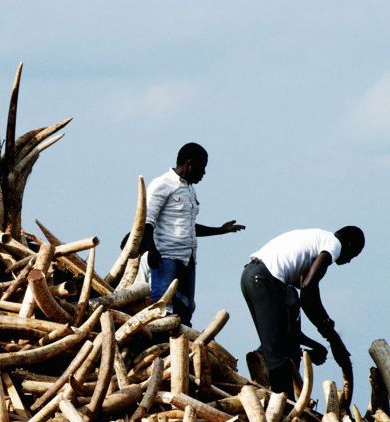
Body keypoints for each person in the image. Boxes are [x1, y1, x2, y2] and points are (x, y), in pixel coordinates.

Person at [240, 226, 365, 397]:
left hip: (251, 276)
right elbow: (308, 291)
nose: (349, 260)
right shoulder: (334, 244)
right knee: (276, 355)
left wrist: (315, 347)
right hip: (263, 279)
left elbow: (294, 328)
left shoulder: (292, 283)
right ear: (349, 244)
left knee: (280, 347)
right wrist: (331, 337)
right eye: (354, 254)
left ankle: (279, 398)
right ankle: (284, 408)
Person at [144, 142, 244, 325]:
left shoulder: (189, 189)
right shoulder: (162, 184)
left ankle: (180, 350)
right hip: (166, 258)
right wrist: (152, 250)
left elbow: (188, 227)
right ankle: (160, 349)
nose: (204, 173)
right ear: (189, 164)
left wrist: (221, 230)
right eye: (202, 167)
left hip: (187, 260)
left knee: (185, 312)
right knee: (163, 310)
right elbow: (147, 222)